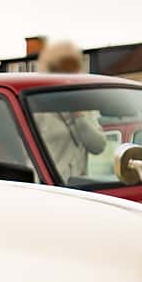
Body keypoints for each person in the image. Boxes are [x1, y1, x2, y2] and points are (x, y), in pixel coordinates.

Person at [36, 39, 108, 180]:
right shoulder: (37, 106)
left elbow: (98, 146)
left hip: (79, 187)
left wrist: (78, 116)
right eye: (63, 70)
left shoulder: (83, 105)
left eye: (72, 70)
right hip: (50, 187)